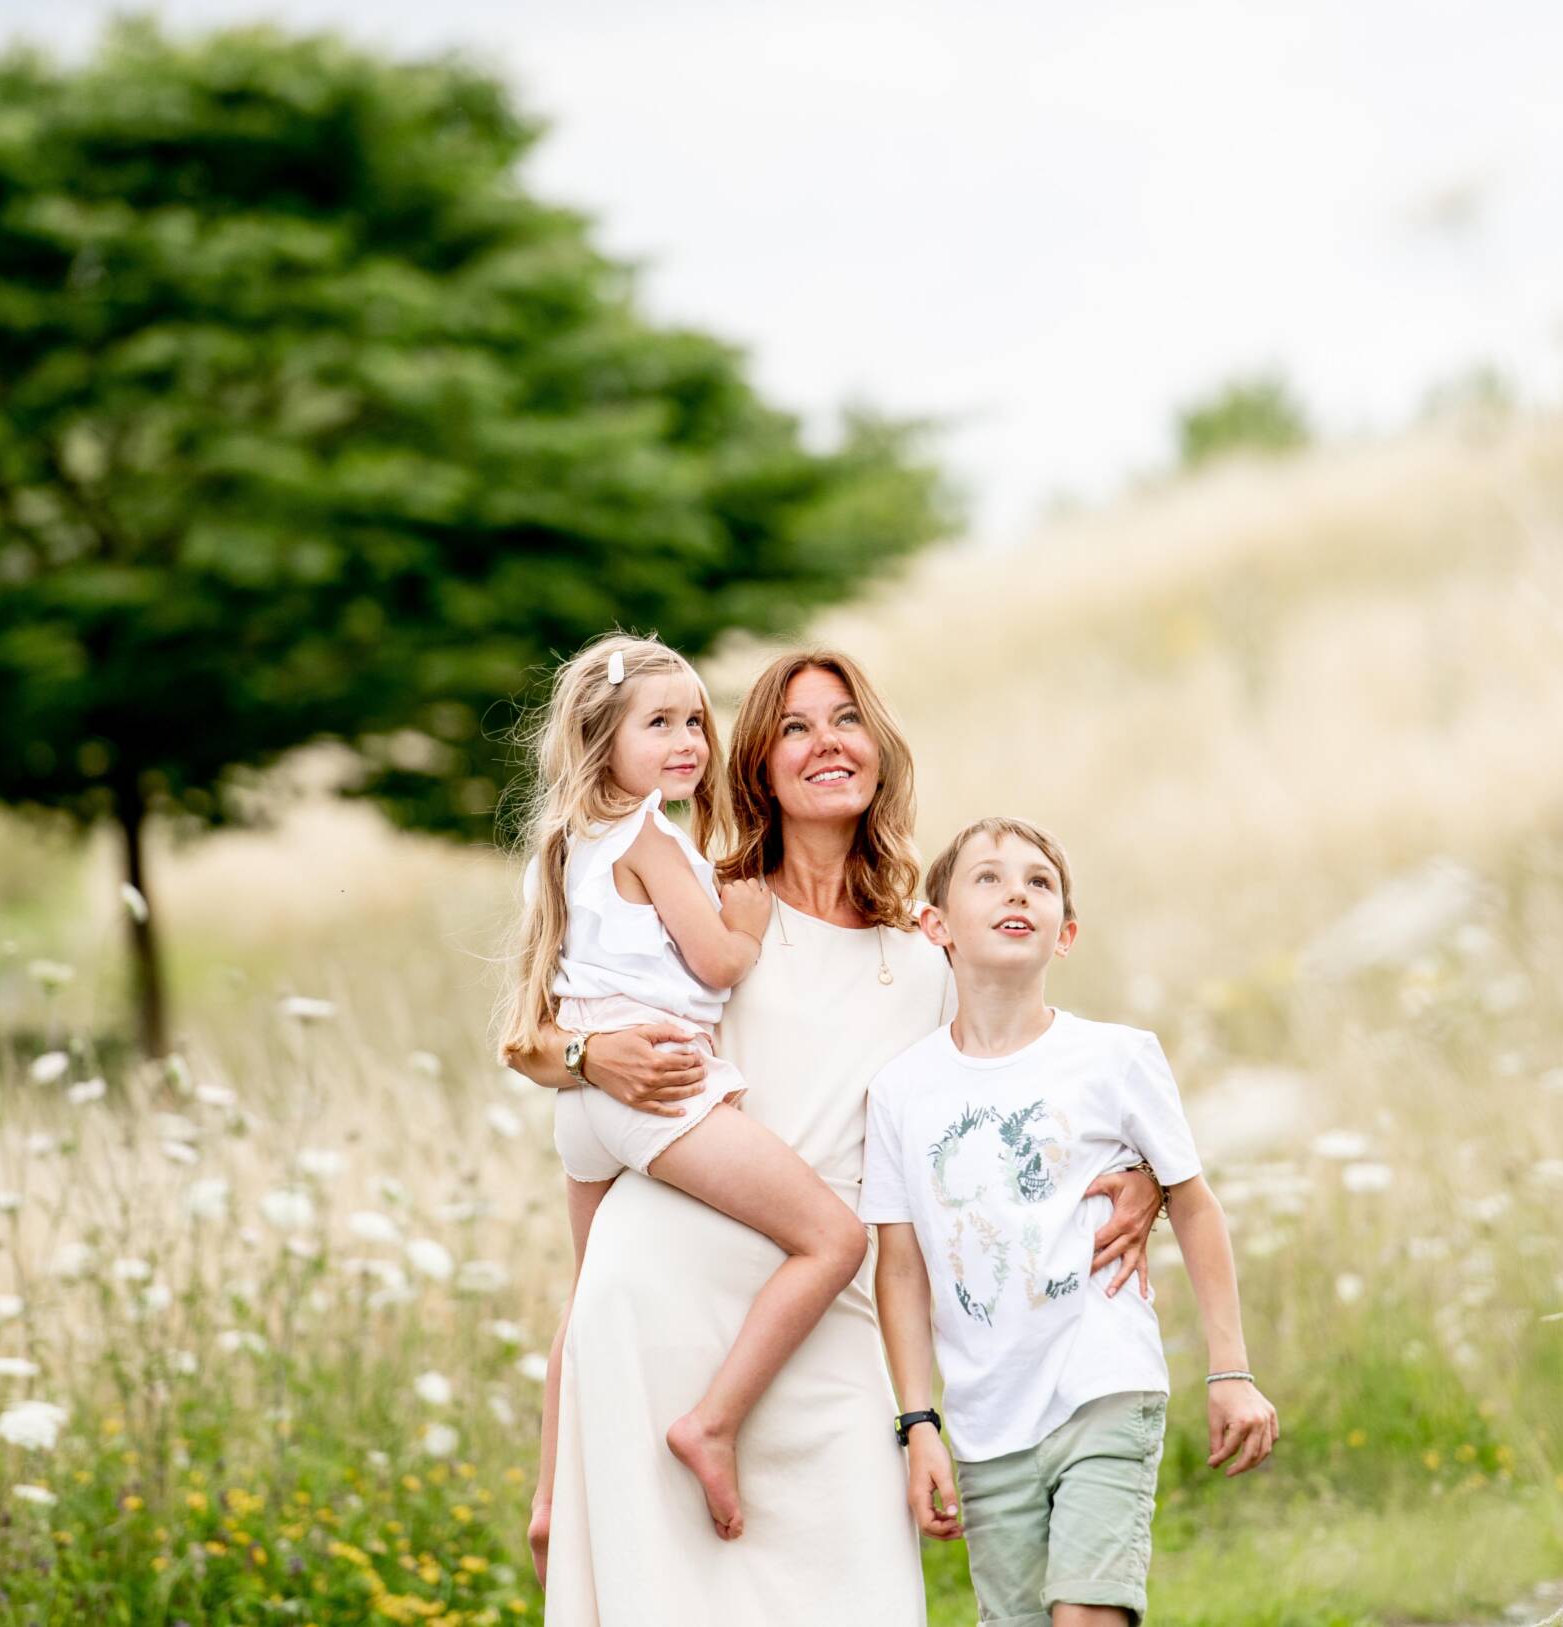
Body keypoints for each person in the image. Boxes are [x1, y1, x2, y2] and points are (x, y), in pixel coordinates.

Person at [503, 650, 1165, 1625]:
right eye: (795, 726)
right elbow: (581, 1137)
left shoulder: (926, 953)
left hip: (836, 1327)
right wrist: (554, 1474)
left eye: (845, 719)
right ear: (759, 764)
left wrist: (1140, 1168)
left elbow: (1031, 1084)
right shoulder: (712, 917)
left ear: (880, 750)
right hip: (664, 1318)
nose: (826, 744)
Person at [494, 632, 866, 1541]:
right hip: (653, 1091)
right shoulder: (651, 837)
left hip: (584, 1113)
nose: (688, 741)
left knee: (585, 1305)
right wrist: (744, 923)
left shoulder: (573, 843)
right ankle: (713, 1419)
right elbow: (716, 960)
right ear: (601, 742)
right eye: (658, 724)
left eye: (695, 719)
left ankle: (550, 1502)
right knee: (833, 1238)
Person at [865, 817, 1279, 1627]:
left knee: (1087, 1616)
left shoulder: (1116, 1056)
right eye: (987, 876)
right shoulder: (901, 1090)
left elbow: (1192, 1203)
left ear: (1067, 932)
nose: (1016, 889)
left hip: (1104, 1384)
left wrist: (1230, 1369)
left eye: (1039, 881)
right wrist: (920, 1424)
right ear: (935, 925)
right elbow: (901, 1263)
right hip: (987, 1422)